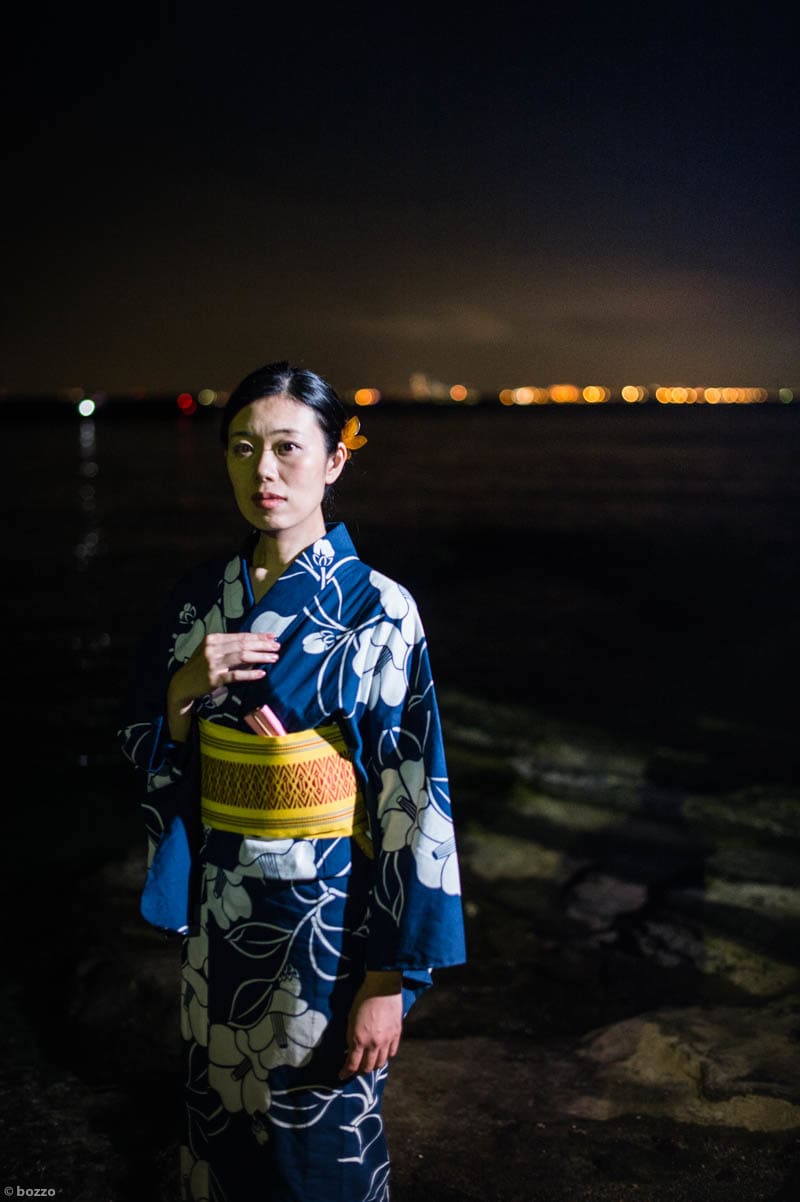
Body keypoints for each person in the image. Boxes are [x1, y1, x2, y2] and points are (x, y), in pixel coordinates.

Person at [117, 360, 467, 1202]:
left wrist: (390, 978)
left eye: (286, 448)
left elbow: (414, 797)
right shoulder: (198, 601)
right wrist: (183, 691)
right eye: (242, 449)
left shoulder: (379, 608)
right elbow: (143, 749)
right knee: (219, 1138)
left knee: (320, 1144)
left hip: (331, 924)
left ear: (335, 460)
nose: (263, 471)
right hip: (223, 919)